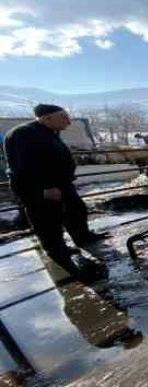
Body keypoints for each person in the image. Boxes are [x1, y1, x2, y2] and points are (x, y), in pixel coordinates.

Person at [3, 104, 109, 279]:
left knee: (76, 210)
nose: (68, 120)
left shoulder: (49, 132)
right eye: (63, 117)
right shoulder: (25, 134)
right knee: (47, 219)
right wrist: (45, 187)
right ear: (47, 118)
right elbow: (28, 165)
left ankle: (83, 237)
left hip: (61, 184)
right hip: (40, 188)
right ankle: (56, 251)